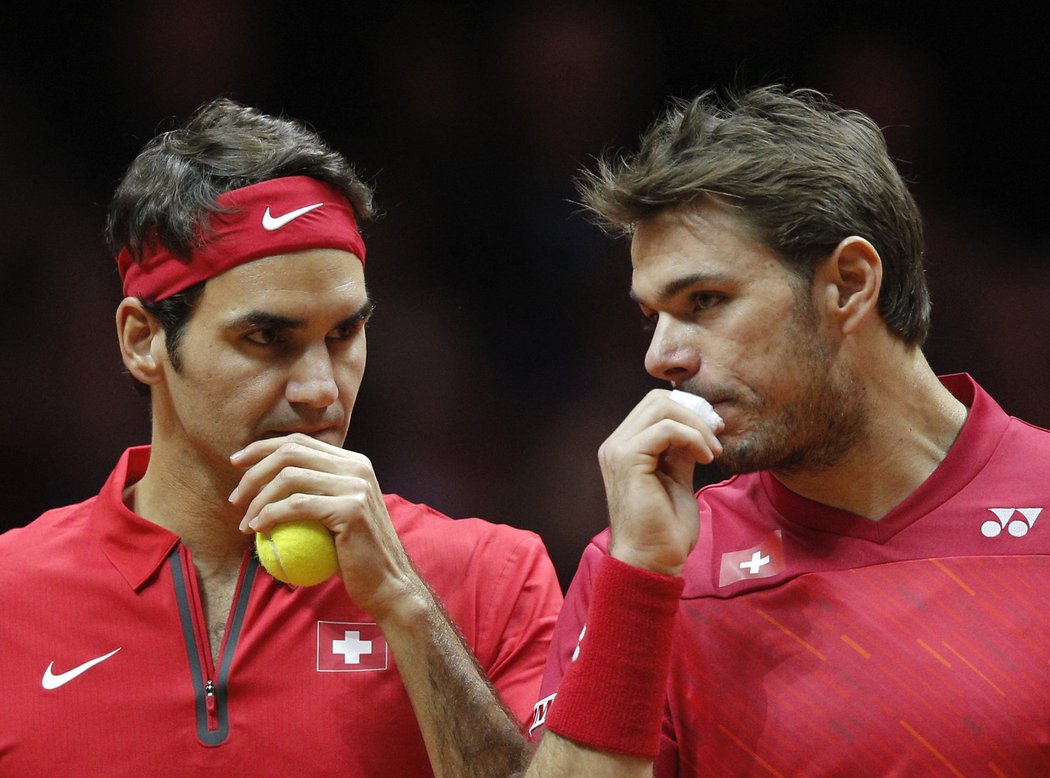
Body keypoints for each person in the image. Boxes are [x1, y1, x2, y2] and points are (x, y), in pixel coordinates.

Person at [0, 98, 562, 777]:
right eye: (266, 338)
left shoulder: (492, 577)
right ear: (143, 340)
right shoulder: (12, 595)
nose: (321, 389)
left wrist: (407, 608)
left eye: (344, 333)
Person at [524, 85, 1050, 775]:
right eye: (653, 317)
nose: (660, 358)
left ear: (850, 283)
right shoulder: (643, 568)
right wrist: (640, 581)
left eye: (704, 301)